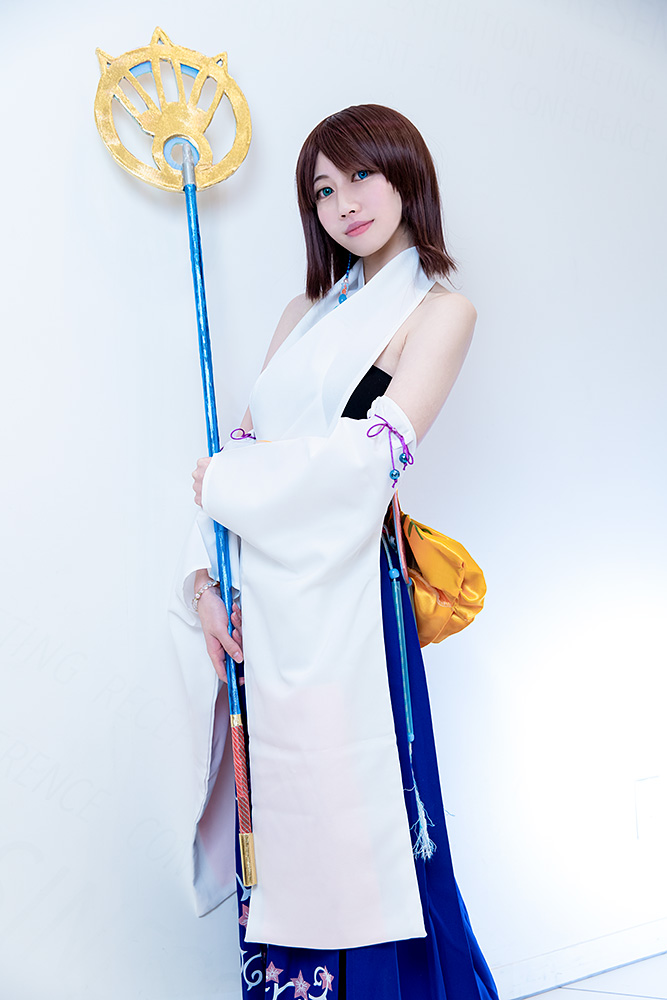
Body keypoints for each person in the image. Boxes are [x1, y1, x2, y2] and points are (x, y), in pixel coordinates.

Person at [170, 104, 499, 1000]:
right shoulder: (303, 313)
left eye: (361, 175)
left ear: (406, 176)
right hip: (264, 609)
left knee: (358, 827)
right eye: (322, 189)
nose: (343, 202)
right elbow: (240, 456)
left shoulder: (439, 312)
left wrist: (226, 482)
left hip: (353, 604)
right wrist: (206, 582)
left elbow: (366, 466)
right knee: (281, 825)